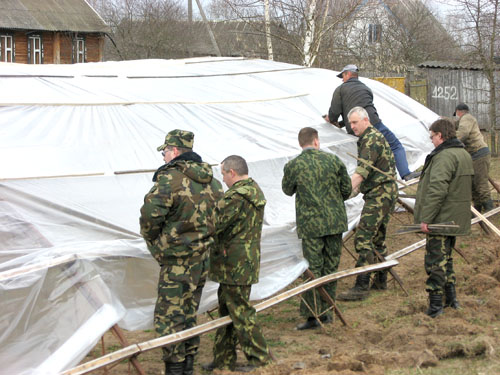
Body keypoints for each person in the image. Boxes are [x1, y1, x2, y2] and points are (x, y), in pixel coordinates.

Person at [139, 129, 223, 375]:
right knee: (189, 312)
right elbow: (221, 214)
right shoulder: (212, 180)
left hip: (177, 261)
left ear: (174, 151)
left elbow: (149, 216)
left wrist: (157, 243)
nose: (164, 156)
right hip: (202, 259)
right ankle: (187, 365)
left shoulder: (170, 179)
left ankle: (175, 369)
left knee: (169, 317)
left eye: (165, 151)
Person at [204, 155, 272, 372]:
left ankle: (260, 359)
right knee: (227, 310)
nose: (222, 179)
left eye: (223, 174)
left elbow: (213, 225)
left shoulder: (234, 198)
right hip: (242, 260)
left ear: (231, 173)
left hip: (234, 263)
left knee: (241, 312)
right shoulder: (253, 189)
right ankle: (223, 359)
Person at [282, 127, 352, 329]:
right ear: (316, 141)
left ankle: (313, 316)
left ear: (300, 143)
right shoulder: (334, 161)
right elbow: (346, 190)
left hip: (311, 225)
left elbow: (287, 190)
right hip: (334, 222)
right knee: (331, 267)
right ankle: (328, 311)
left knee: (313, 269)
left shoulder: (294, 165)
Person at [337, 107, 398, 301]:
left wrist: (342, 194)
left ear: (366, 120)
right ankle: (380, 279)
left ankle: (361, 285)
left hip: (380, 193)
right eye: (350, 123)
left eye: (355, 122)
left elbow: (361, 174)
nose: (352, 126)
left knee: (363, 238)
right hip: (385, 192)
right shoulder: (372, 137)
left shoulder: (370, 140)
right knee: (377, 239)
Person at [414, 118, 473, 317]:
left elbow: (437, 189)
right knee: (446, 259)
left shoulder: (444, 156)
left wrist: (426, 218)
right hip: (454, 218)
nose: (431, 141)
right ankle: (452, 300)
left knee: (435, 262)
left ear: (440, 135)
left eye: (432, 137)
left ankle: (435, 306)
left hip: (441, 219)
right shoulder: (463, 153)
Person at [323, 64, 419, 181]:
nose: (342, 79)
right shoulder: (366, 88)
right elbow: (363, 109)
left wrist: (332, 120)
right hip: (374, 123)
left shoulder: (340, 89)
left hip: (357, 129)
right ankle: (405, 173)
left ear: (348, 74)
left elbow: (335, 111)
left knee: (366, 154)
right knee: (395, 146)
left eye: (342, 76)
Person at [454, 103, 493, 212]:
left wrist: (450, 141)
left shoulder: (467, 118)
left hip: (479, 154)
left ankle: (489, 210)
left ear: (458, 111)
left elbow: (463, 133)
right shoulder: (464, 120)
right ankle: (477, 209)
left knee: (481, 184)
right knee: (474, 184)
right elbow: (455, 123)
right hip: (475, 154)